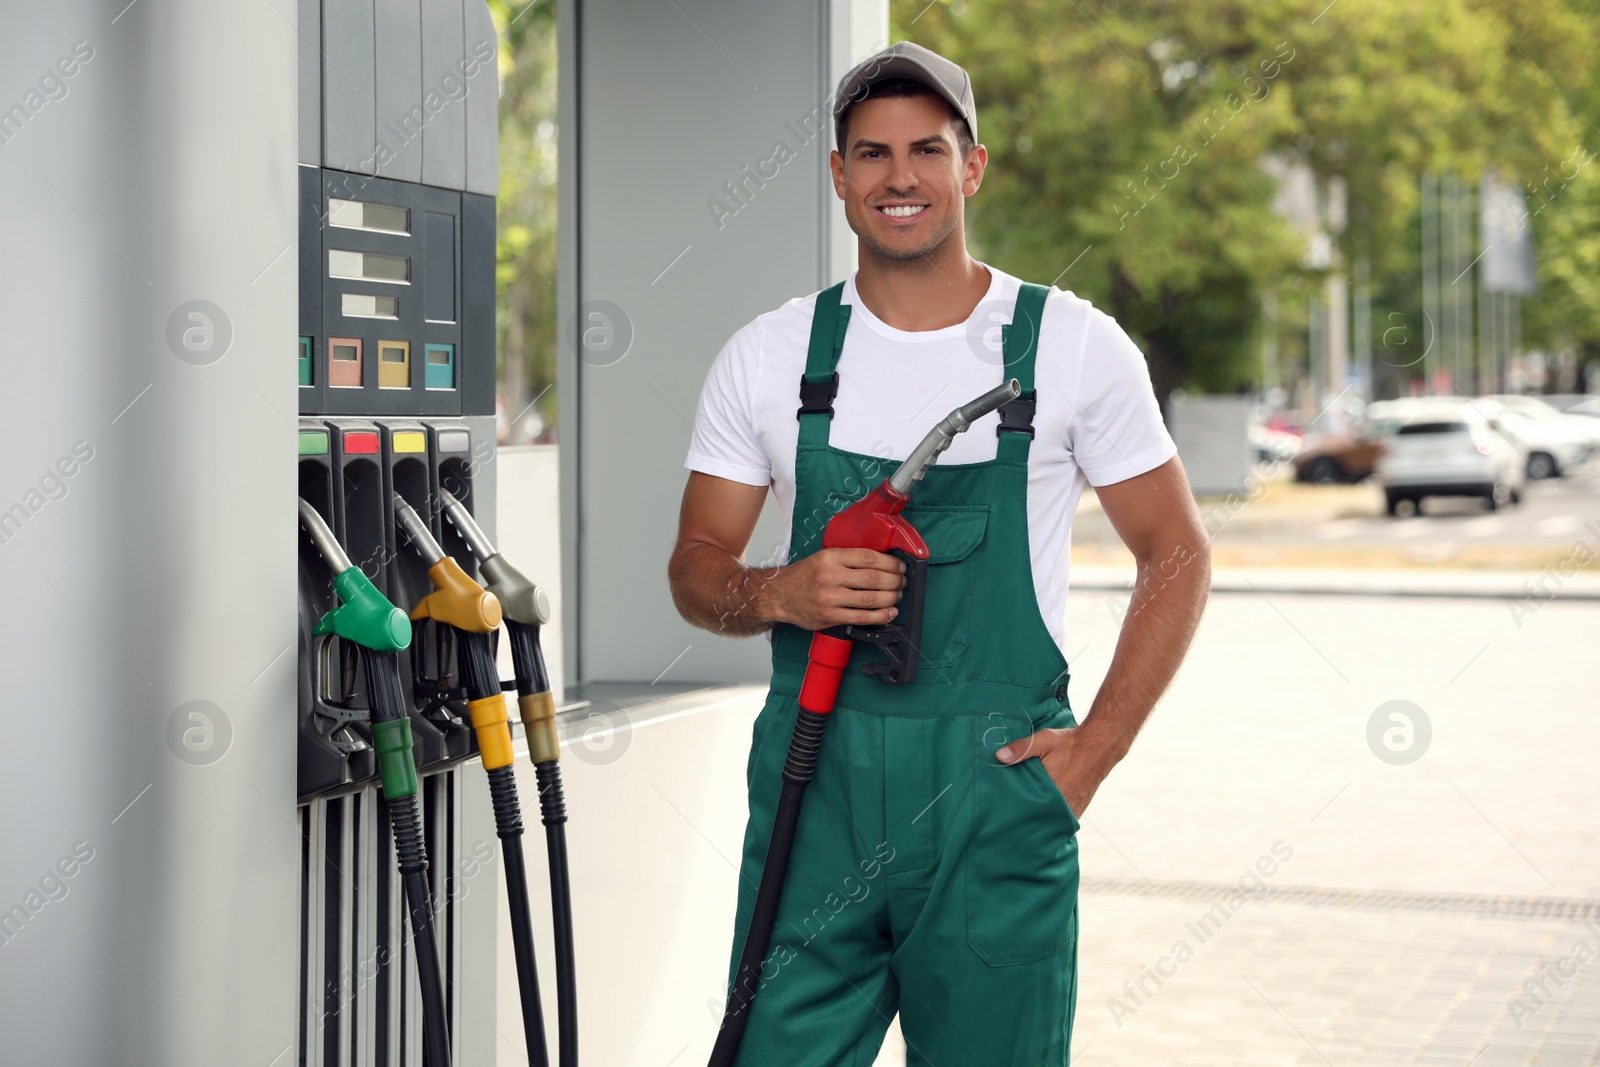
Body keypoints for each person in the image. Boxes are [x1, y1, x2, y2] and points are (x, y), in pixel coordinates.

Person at [668, 40, 1210, 1066]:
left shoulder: (1071, 346)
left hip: (993, 795)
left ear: (973, 165)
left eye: (927, 148)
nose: (899, 177)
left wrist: (1093, 753)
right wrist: (778, 589)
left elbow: (1177, 551)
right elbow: (696, 567)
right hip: (813, 780)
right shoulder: (771, 354)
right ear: (838, 176)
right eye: (870, 154)